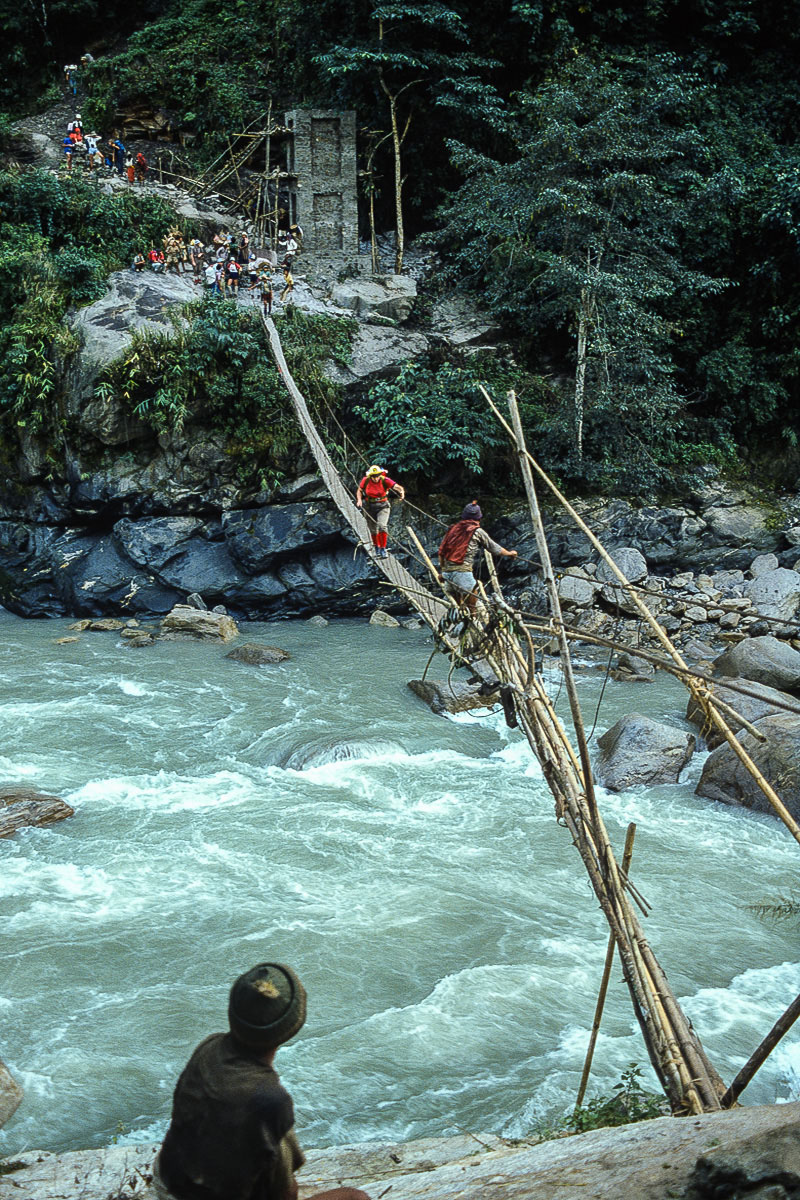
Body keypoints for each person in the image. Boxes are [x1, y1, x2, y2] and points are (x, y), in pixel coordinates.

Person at [153, 962, 371, 1200]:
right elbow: (285, 1194)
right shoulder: (269, 1099)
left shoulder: (209, 1047)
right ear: (291, 1027)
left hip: (167, 1183)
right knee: (354, 1197)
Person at [437, 501, 518, 612]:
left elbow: (441, 553)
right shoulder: (477, 531)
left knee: (460, 608)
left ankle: (462, 621)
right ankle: (472, 622)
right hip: (462, 575)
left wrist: (442, 573)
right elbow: (494, 548)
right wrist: (510, 554)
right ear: (479, 518)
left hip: (447, 577)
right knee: (472, 610)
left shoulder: (453, 529)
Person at [355, 464, 405, 559]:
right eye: (373, 476)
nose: (376, 478)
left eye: (377, 475)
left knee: (382, 526)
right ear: (370, 476)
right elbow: (359, 490)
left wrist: (402, 493)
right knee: (372, 529)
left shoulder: (384, 480)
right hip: (369, 507)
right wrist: (359, 500)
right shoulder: (366, 480)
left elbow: (397, 487)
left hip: (383, 506)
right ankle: (376, 547)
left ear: (380, 474)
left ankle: (383, 548)